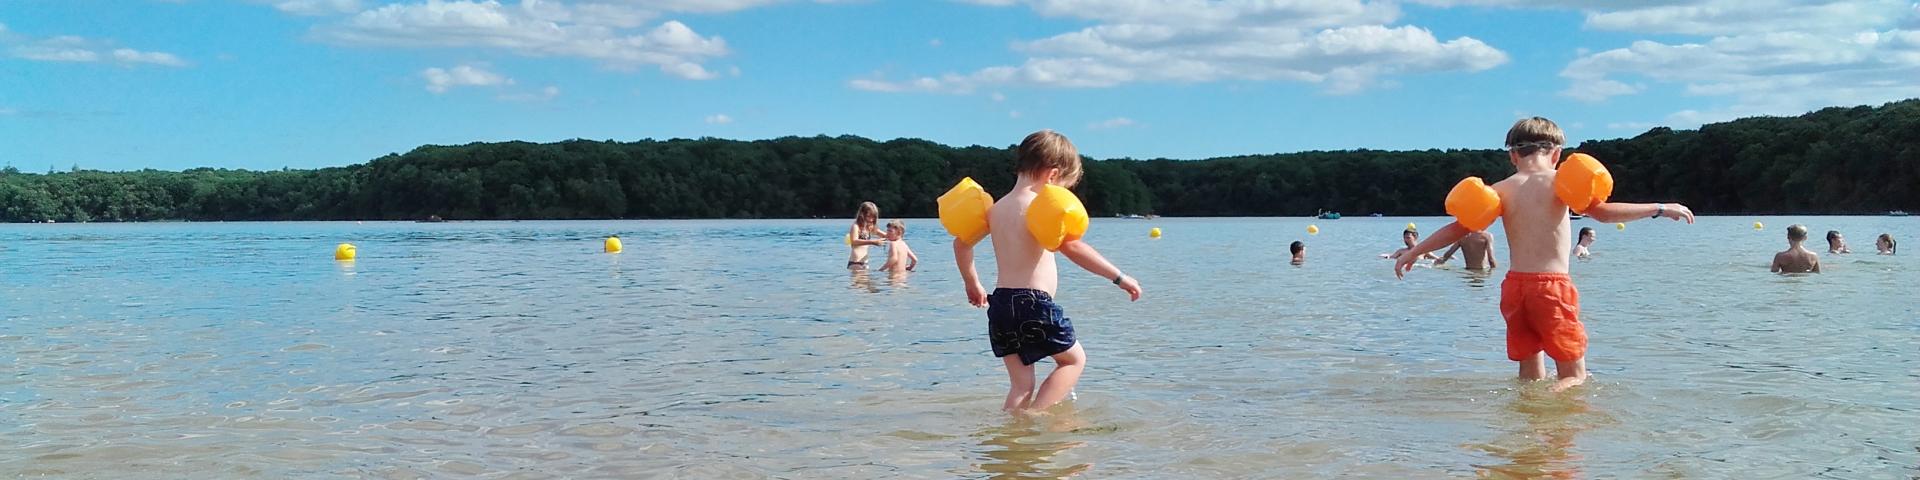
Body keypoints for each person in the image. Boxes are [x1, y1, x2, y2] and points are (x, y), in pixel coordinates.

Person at [1392, 117, 1694, 392]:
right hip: (1552, 287)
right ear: (1557, 153)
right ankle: (1558, 412)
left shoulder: (1499, 190)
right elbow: (1602, 213)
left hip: (1514, 289)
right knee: (1574, 374)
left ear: (1512, 155)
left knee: (1530, 373)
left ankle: (1529, 436)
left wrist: (1414, 252)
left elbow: (1458, 228)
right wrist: (1660, 208)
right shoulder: (1559, 183)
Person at [953, 130, 1143, 414]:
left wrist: (973, 283)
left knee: (1021, 386)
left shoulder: (994, 210)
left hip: (1001, 305)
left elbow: (961, 244)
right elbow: (1073, 248)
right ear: (1053, 176)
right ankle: (1035, 416)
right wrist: (1118, 277)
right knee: (1073, 361)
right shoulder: (1038, 208)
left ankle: (1013, 434)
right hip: (1034, 304)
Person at [846, 202, 887, 269]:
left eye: (873, 217)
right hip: (855, 262)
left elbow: (886, 236)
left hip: (865, 263)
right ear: (862, 214)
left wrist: (896, 235)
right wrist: (873, 242)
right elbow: (854, 241)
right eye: (869, 216)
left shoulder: (869, 227)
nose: (871, 219)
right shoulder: (855, 226)